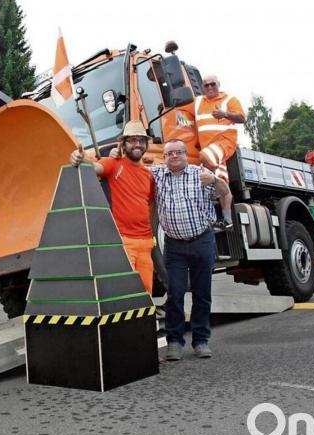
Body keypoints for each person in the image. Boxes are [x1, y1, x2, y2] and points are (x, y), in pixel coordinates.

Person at [150, 139, 232, 360]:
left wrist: (215, 179)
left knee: (202, 293)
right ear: (164, 157)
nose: (174, 156)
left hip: (202, 241)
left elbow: (225, 192)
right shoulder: (156, 176)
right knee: (175, 294)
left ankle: (201, 341)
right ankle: (174, 342)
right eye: (169, 154)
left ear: (186, 155)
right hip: (174, 246)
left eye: (178, 152)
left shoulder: (200, 174)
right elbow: (134, 166)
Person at [70, 120, 155, 294]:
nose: (137, 144)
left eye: (140, 140)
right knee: (126, 291)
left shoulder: (150, 174)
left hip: (146, 244)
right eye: (132, 140)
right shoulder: (114, 164)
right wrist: (78, 158)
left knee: (146, 293)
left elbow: (150, 205)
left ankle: (144, 321)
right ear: (123, 144)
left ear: (146, 144)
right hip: (125, 242)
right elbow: (94, 167)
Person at [194, 74, 244, 229]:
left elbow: (242, 118)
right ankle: (227, 220)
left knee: (204, 157)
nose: (209, 87)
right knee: (222, 182)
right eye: (206, 85)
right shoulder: (198, 102)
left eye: (213, 84)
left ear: (219, 85)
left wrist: (225, 114)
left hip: (224, 143)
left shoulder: (229, 100)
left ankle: (213, 192)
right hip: (210, 148)